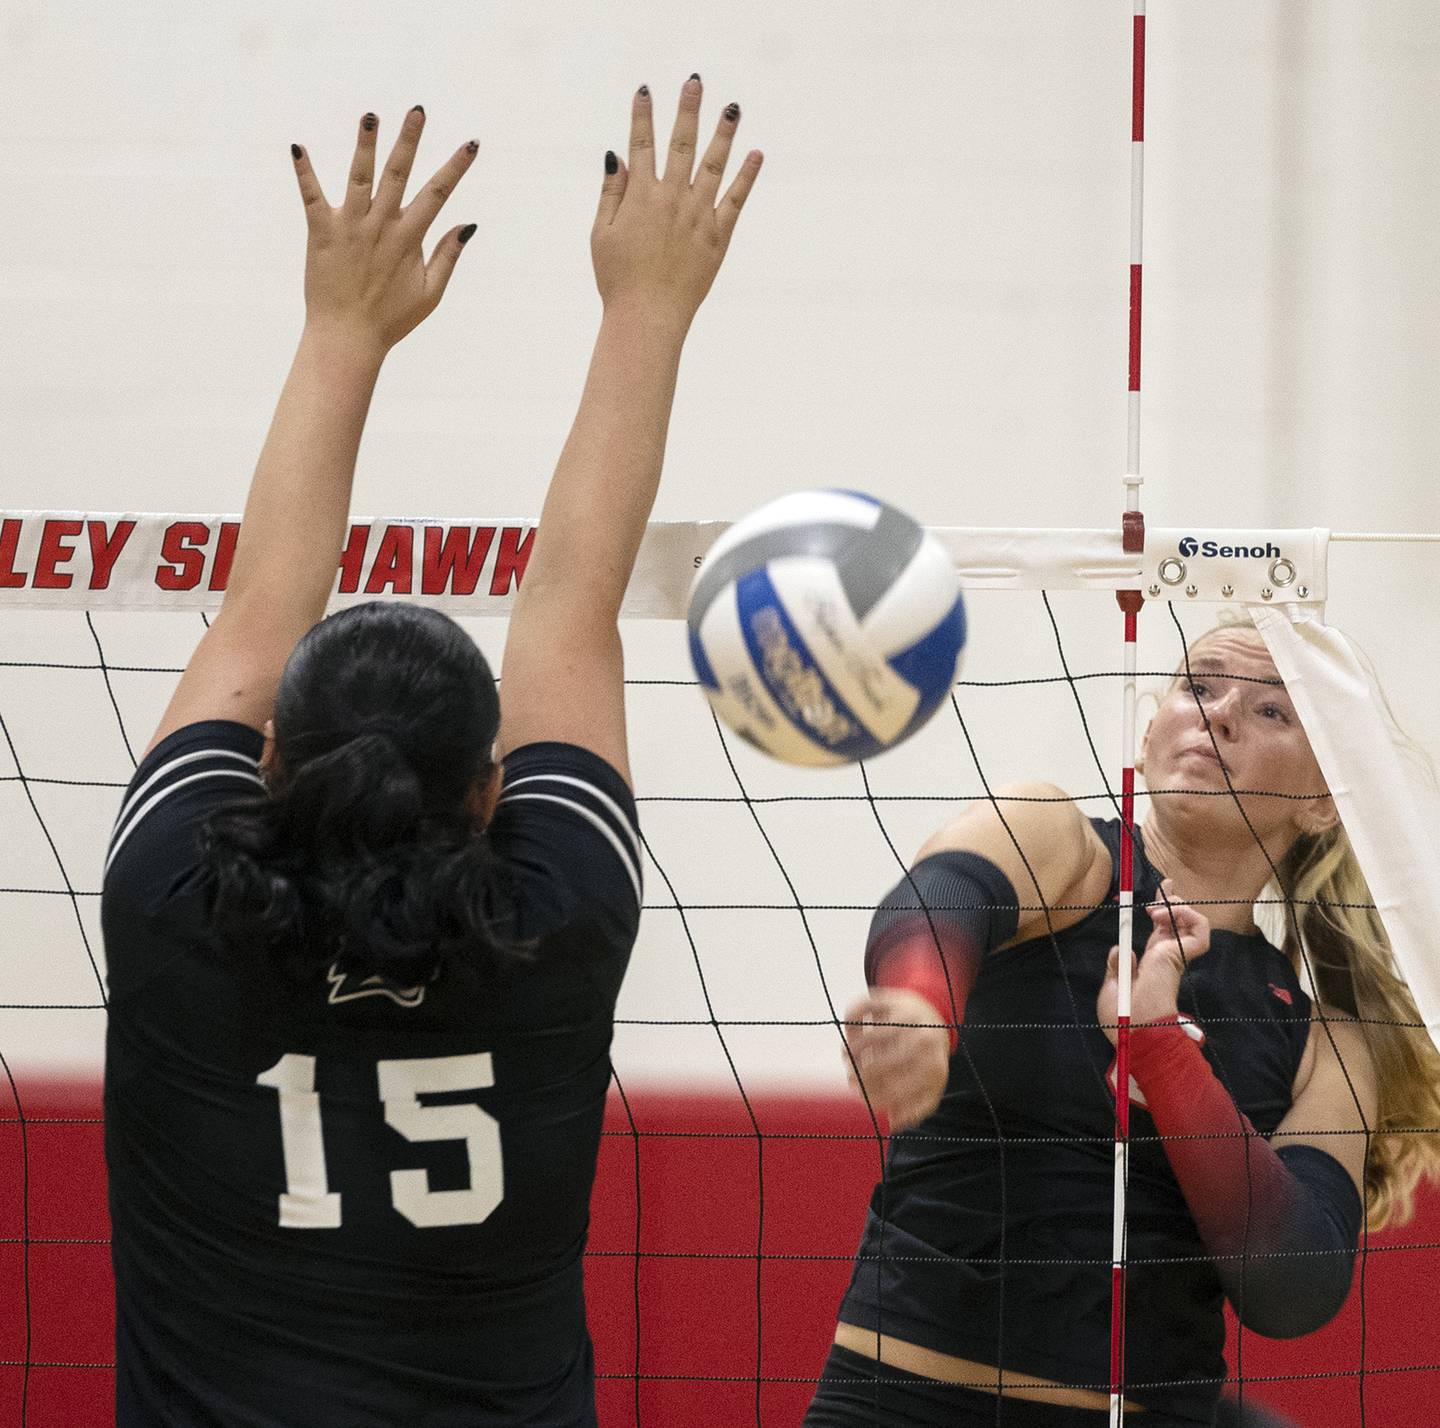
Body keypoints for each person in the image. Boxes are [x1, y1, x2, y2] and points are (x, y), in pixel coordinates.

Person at [100, 82, 761, 1426]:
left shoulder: (172, 895)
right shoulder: (553, 917)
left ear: (269, 751)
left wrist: (343, 326)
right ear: (492, 791)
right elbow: (573, 606)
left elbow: (254, 609)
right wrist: (649, 306)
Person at [806, 615, 1440, 1426]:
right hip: (899, 1403)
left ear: (1323, 798)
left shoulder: (1327, 1044)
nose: (1216, 716)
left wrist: (1163, 1059)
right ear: (1150, 729)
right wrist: (920, 1008)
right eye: (1197, 686)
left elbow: (1292, 1287)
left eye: (1271, 711)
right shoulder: (1060, 845)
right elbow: (943, 897)